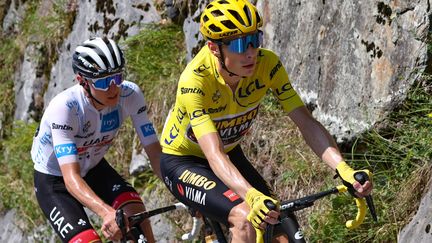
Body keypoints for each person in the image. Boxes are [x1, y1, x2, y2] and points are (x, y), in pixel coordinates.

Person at [159, 0, 373, 242]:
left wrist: (342, 168)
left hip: (229, 153)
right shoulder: (194, 81)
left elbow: (304, 121)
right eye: (240, 44)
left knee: (278, 221)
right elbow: (214, 155)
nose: (251, 52)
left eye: (254, 40)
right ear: (214, 48)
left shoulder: (268, 64)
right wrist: (250, 196)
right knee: (245, 218)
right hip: (184, 162)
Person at [31, 37, 162, 243]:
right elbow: (71, 178)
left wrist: (180, 189)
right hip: (55, 180)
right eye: (102, 82)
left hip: (93, 167)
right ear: (82, 81)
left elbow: (155, 152)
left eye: (117, 78)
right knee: (89, 240)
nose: (113, 88)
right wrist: (106, 212)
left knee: (136, 216)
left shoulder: (130, 95)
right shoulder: (65, 108)